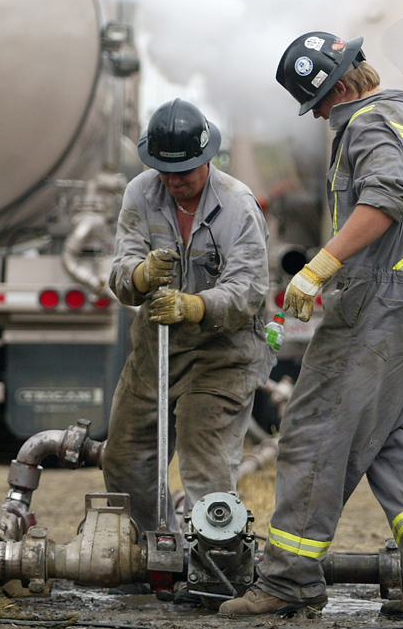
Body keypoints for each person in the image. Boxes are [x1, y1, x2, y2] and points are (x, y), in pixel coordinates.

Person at [220, 32, 403, 620]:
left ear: (332, 92)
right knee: (397, 437)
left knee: (313, 429)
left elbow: (386, 199)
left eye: (317, 105)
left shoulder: (365, 123)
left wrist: (319, 269)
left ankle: (289, 581)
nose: (320, 117)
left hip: (384, 304)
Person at [101, 98, 271, 536]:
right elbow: (121, 273)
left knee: (205, 462)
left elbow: (249, 288)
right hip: (156, 349)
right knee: (124, 458)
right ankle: (153, 550)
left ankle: (210, 560)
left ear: (207, 158)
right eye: (165, 170)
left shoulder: (238, 205)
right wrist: (140, 275)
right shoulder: (140, 192)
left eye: (185, 171)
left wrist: (196, 306)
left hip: (223, 353)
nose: (174, 180)